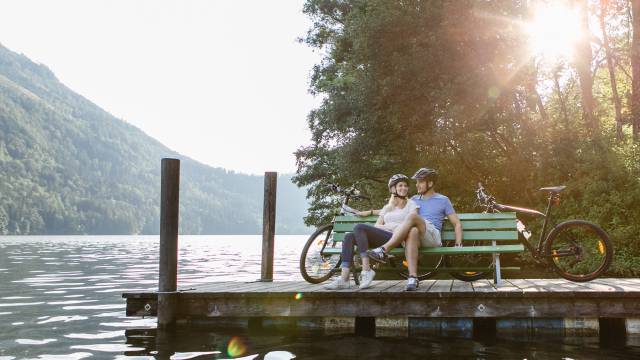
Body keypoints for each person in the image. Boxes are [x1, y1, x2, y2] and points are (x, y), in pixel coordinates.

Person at [368, 167, 463, 291]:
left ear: (430, 183)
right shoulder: (413, 200)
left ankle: (384, 250)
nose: (416, 185)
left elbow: (456, 223)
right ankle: (413, 278)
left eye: (420, 182)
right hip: (417, 235)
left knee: (412, 217)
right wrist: (369, 212)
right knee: (412, 230)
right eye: (417, 182)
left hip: (432, 236)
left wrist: (458, 243)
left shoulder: (443, 200)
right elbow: (391, 209)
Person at [324, 174, 421, 290]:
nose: (404, 188)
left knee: (359, 227)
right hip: (384, 237)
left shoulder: (412, 205)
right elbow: (378, 225)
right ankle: (344, 279)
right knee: (349, 237)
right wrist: (394, 226)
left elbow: (411, 223)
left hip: (399, 239)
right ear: (393, 189)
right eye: (400, 185)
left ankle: (366, 269)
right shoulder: (387, 207)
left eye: (405, 186)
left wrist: (392, 227)